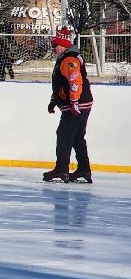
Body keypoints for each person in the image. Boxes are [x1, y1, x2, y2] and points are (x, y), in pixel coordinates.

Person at [44, 26, 93, 183]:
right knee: (77, 138)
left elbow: (75, 81)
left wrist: (74, 102)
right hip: (82, 103)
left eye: (55, 45)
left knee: (64, 136)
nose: (53, 49)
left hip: (76, 105)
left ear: (63, 45)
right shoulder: (66, 58)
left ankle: (61, 169)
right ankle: (84, 170)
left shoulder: (68, 59)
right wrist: (53, 101)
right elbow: (60, 85)